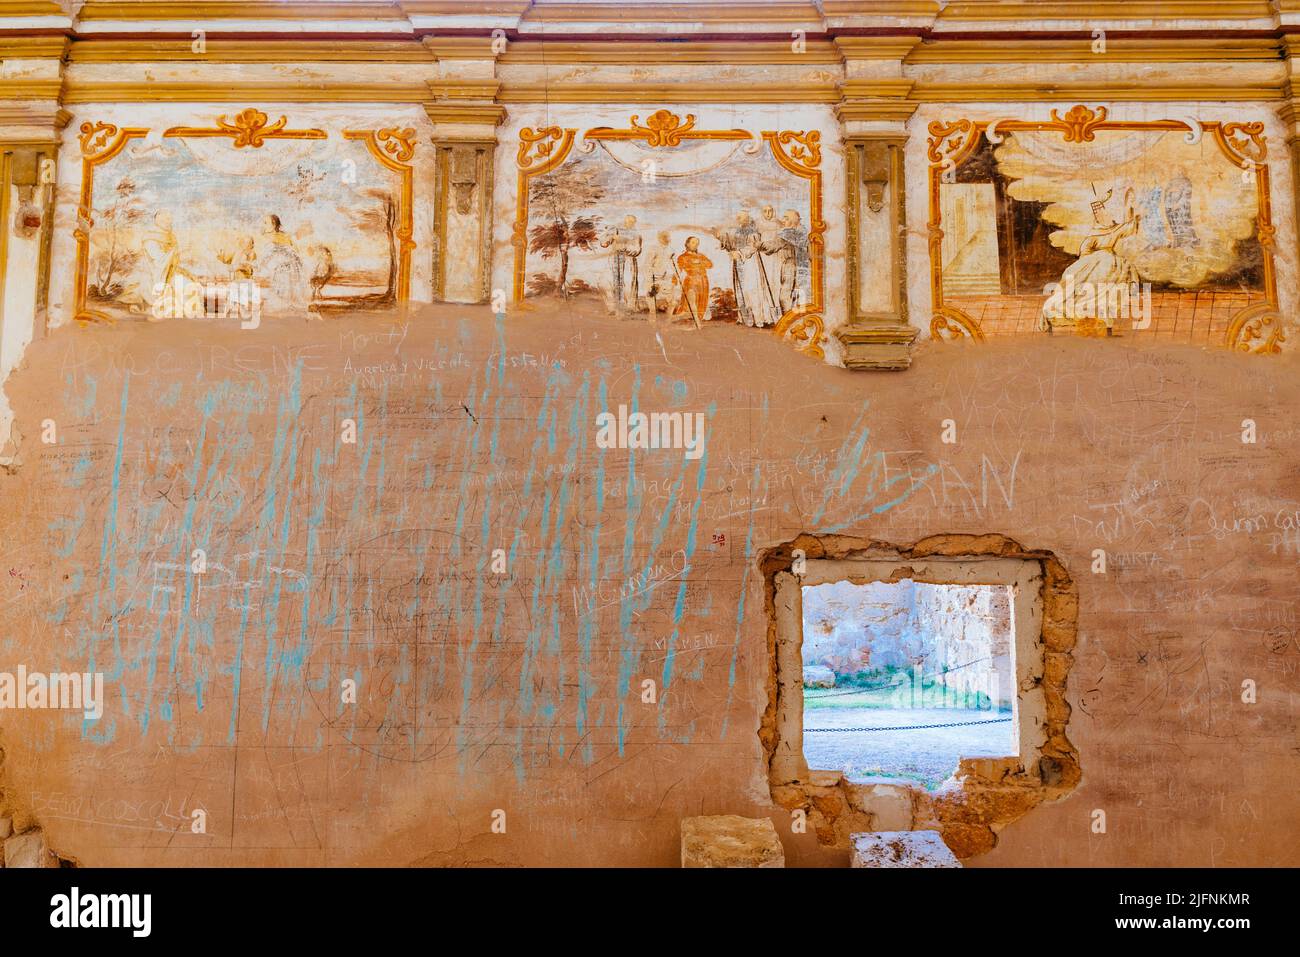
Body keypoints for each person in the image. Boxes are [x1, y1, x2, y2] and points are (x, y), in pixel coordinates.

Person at [1039, 188, 1141, 334]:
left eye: (1106, 213)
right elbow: (1084, 252)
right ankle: (1074, 301)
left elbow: (1130, 226)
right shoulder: (1094, 234)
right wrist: (1089, 262)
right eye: (1101, 214)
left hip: (1110, 262)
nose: (1106, 217)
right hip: (1093, 261)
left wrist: (1129, 207)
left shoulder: (1114, 229)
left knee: (1107, 274)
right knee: (1072, 274)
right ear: (1097, 218)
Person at [261, 213, 306, 312]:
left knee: (285, 287)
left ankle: (286, 306)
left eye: (265, 223)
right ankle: (284, 306)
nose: (263, 225)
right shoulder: (270, 236)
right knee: (279, 287)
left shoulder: (281, 236)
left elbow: (293, 249)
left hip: (288, 266)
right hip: (280, 267)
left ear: (273, 224)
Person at [600, 214, 643, 308]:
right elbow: (603, 243)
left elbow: (637, 249)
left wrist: (625, 248)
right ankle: (614, 306)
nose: (629, 224)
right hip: (614, 258)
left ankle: (630, 307)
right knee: (610, 281)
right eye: (627, 221)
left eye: (632, 222)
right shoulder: (616, 230)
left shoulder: (636, 234)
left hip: (628, 261)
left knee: (627, 283)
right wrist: (610, 237)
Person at [672, 236, 712, 328]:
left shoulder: (701, 256)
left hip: (703, 281)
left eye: (697, 243)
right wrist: (674, 281)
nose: (695, 245)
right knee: (692, 303)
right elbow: (678, 270)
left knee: (699, 304)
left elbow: (710, 264)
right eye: (693, 242)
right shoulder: (683, 257)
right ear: (687, 244)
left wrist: (699, 262)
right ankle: (698, 324)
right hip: (691, 281)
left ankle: (672, 319)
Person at [776, 209, 810, 314]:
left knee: (796, 297)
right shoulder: (789, 231)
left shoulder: (800, 232)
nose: (783, 220)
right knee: (786, 297)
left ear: (793, 220)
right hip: (789, 265)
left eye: (786, 218)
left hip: (800, 267)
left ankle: (791, 320)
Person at [646, 231, 675, 319]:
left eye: (667, 237)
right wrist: (650, 278)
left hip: (667, 278)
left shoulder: (671, 250)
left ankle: (668, 321)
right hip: (654, 278)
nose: (666, 239)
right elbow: (648, 264)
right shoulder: (654, 249)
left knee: (671, 301)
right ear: (659, 238)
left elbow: (672, 264)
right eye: (663, 237)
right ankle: (652, 322)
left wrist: (673, 275)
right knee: (651, 300)